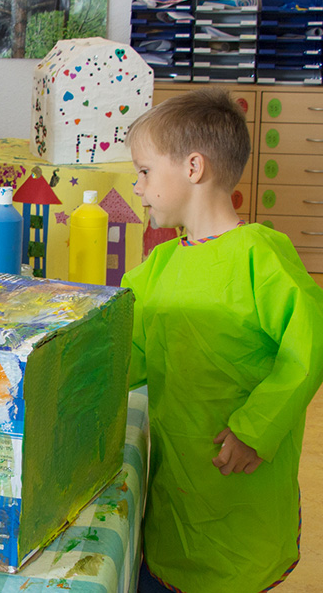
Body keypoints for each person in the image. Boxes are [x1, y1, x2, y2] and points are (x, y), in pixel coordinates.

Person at [121, 88, 323, 592]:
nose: (137, 186)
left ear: (193, 167)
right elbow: (126, 350)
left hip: (242, 487)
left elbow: (308, 346)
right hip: (179, 488)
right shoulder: (161, 265)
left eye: (145, 171)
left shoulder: (260, 255)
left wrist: (256, 428)